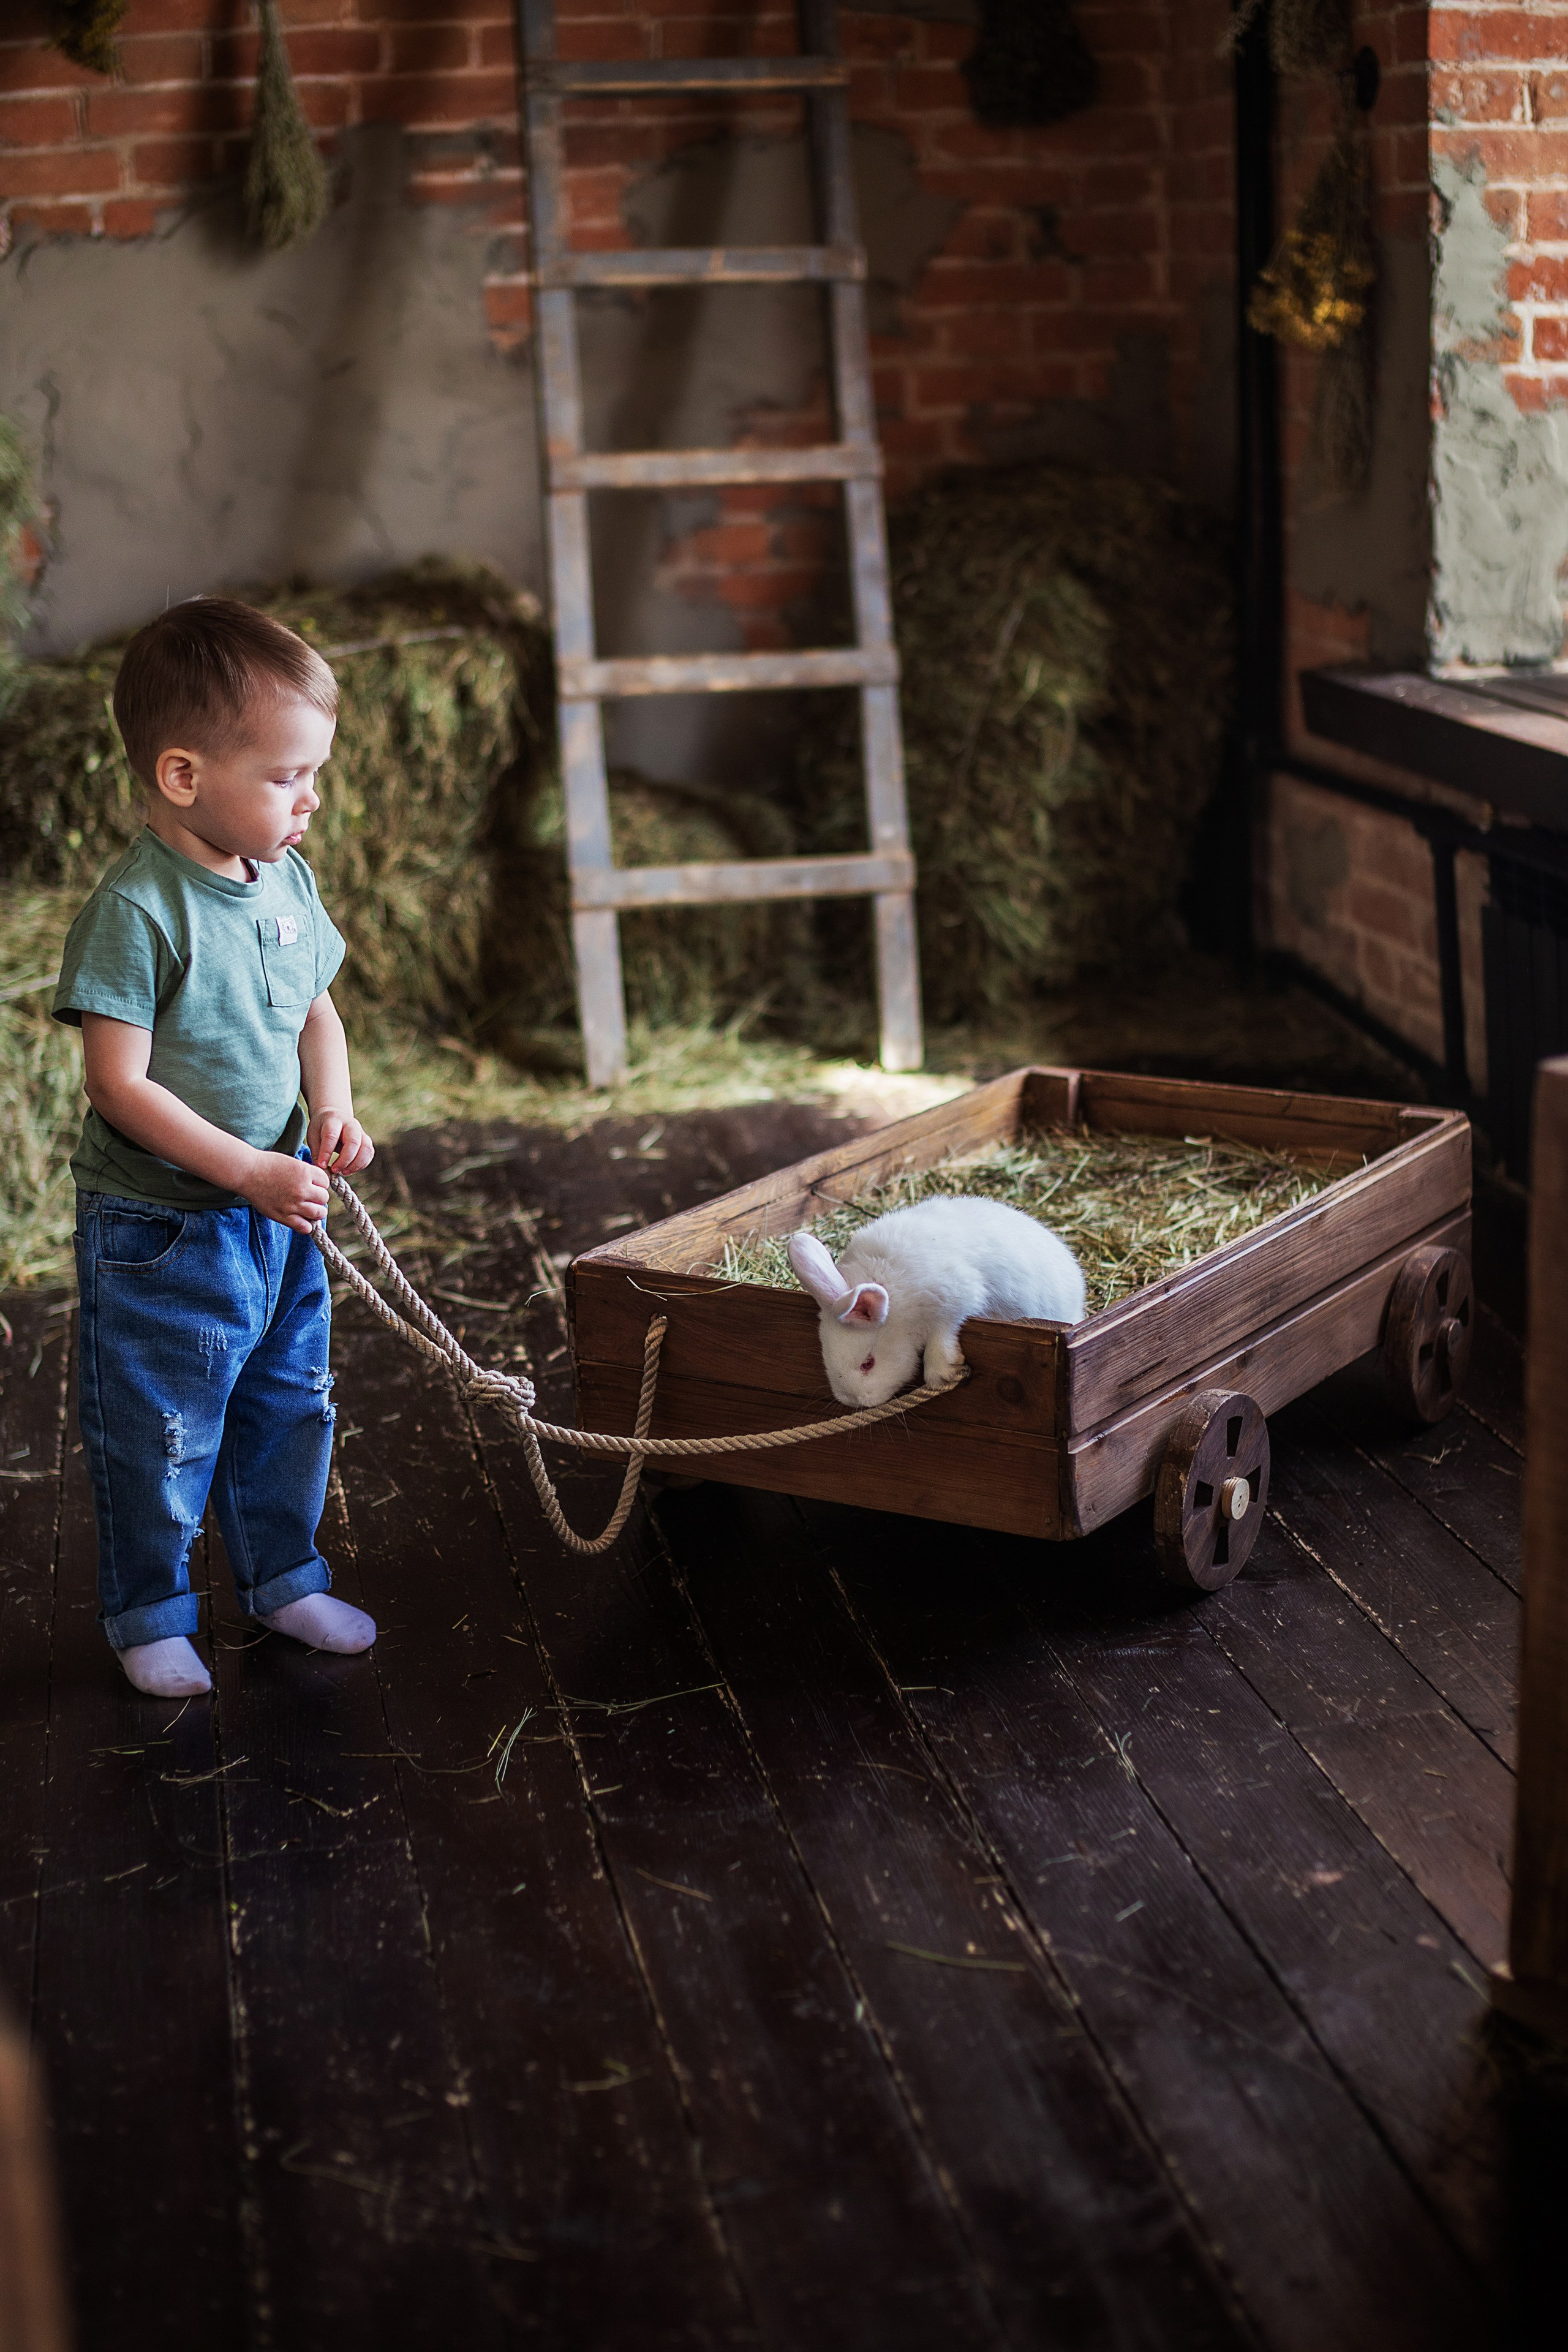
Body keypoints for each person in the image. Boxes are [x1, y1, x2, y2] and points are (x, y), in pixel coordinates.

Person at [51, 598, 377, 1700]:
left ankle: (283, 1581)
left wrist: (328, 1112)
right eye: (289, 775)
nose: (313, 798)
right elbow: (117, 1083)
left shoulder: (281, 877)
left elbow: (316, 1017)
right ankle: (150, 1611)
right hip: (165, 1225)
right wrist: (244, 1169)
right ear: (184, 776)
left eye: (314, 771)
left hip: (279, 1209)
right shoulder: (137, 910)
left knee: (289, 1402)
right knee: (164, 1427)